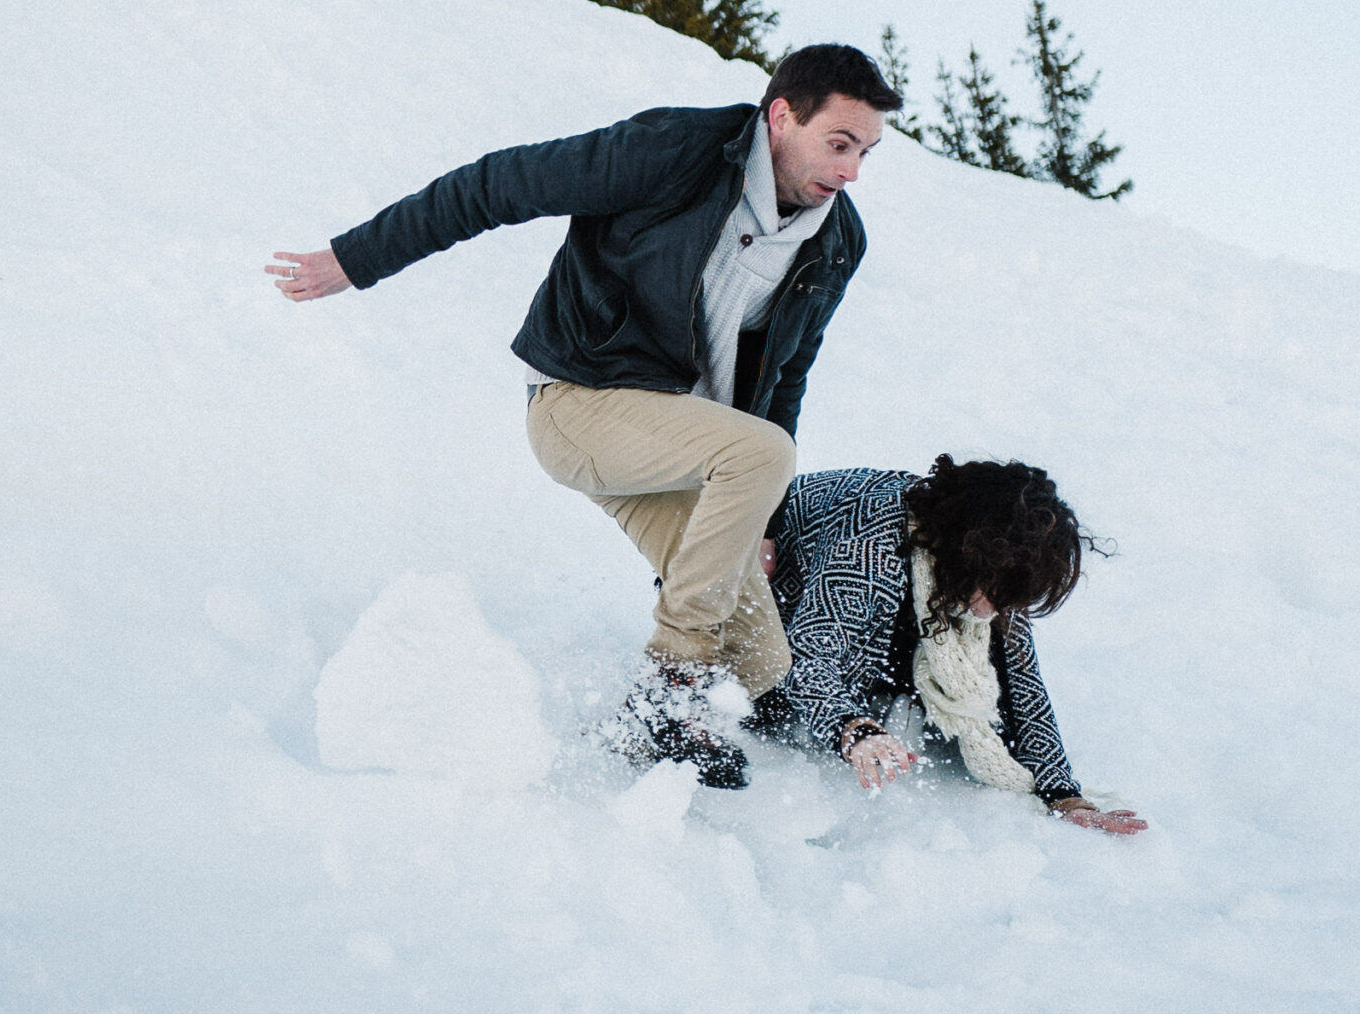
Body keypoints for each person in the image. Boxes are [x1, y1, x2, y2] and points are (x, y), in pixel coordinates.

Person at [267, 43, 903, 790]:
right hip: (580, 402)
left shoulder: (836, 240)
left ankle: (663, 731)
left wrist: (760, 521)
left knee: (762, 653)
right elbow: (497, 184)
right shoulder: (677, 152)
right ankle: (671, 688)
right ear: (781, 116)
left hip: (681, 445)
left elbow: (786, 373)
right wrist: (355, 258)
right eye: (839, 142)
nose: (853, 169)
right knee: (759, 461)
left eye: (867, 150)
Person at [752, 456, 1148, 835]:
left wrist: (1064, 796)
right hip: (766, 612)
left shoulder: (994, 565)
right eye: (997, 595)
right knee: (774, 705)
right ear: (971, 555)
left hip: (878, 605)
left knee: (978, 676)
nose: (997, 610)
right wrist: (853, 728)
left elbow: (1021, 682)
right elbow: (806, 657)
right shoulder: (869, 546)